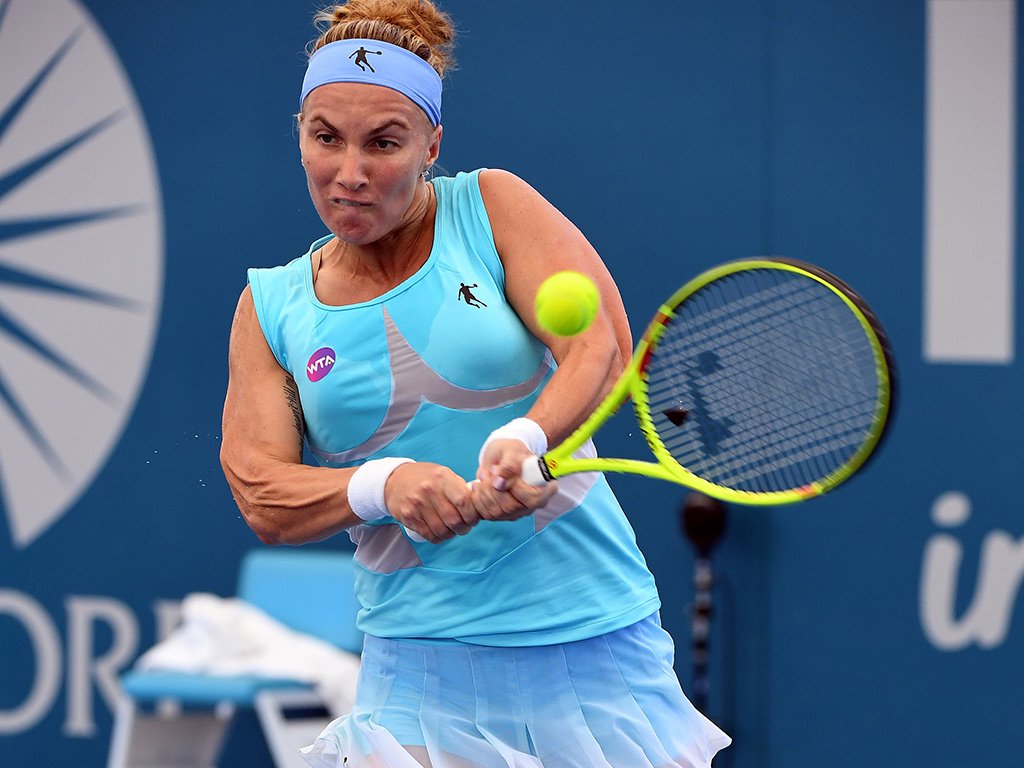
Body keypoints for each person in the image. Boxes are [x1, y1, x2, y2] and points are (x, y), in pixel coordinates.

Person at [220, 1, 731, 766]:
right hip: (416, 672)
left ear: (433, 145)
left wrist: (527, 438)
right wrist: (383, 486)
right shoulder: (271, 307)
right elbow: (260, 491)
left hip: (588, 643)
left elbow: (600, 346)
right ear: (299, 131)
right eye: (326, 137)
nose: (350, 173)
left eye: (385, 143)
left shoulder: (491, 207)